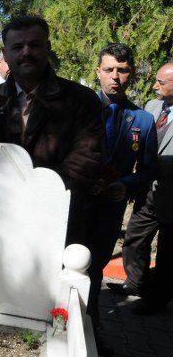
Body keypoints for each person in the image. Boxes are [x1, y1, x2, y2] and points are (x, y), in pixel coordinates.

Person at [0, 16, 104, 246]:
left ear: (48, 48)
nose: (26, 52)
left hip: (58, 222)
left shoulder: (81, 100)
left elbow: (86, 159)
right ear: (5, 54)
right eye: (17, 47)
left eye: (34, 45)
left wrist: (39, 195)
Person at [84, 43, 157, 337]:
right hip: (75, 203)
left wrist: (124, 185)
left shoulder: (143, 120)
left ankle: (91, 330)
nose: (115, 76)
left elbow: (149, 169)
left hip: (110, 208)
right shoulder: (81, 110)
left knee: (95, 267)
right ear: (98, 72)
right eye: (109, 69)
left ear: (132, 74)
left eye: (123, 70)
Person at [118, 62, 173, 314]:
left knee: (167, 252)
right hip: (148, 188)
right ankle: (135, 283)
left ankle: (157, 300)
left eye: (161, 82)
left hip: (171, 193)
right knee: (134, 238)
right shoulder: (152, 106)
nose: (154, 86)